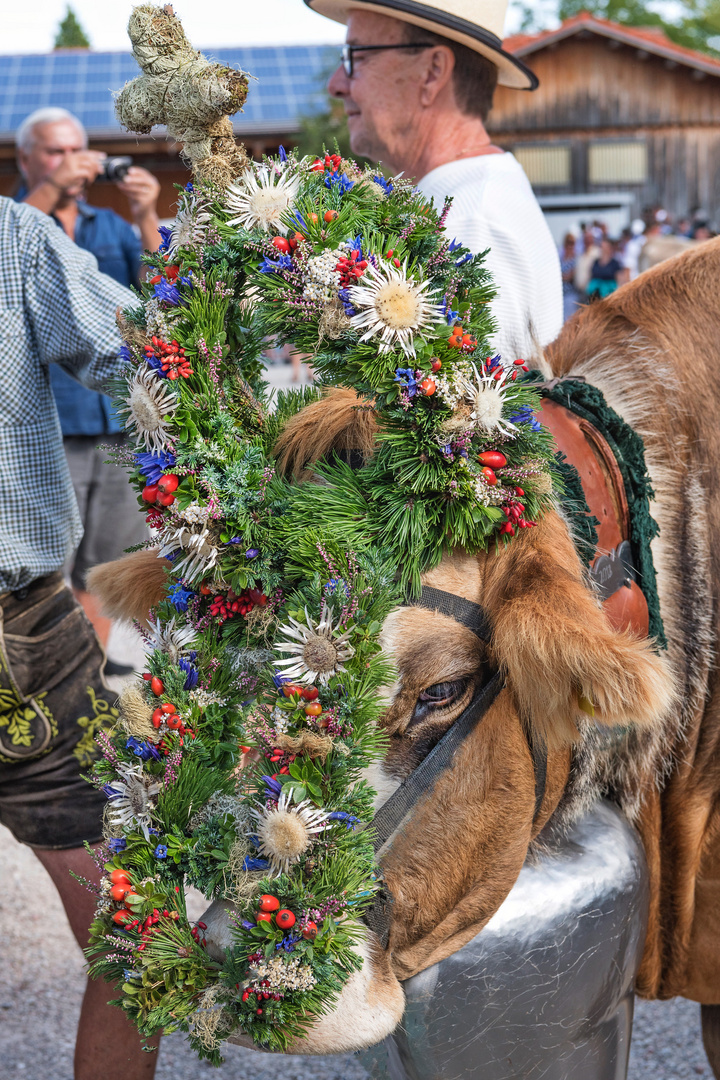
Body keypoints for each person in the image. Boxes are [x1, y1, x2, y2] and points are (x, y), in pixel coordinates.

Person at [0, 195, 159, 1080]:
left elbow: (153, 351)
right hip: (24, 621)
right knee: (131, 916)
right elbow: (161, 352)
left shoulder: (14, 238)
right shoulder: (10, 236)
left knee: (128, 910)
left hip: (32, 632)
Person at [315, 0, 563, 359]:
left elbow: (470, 410)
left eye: (356, 56)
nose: (336, 84)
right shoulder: (466, 198)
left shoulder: (467, 223)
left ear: (432, 72)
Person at [15, 107, 160, 670]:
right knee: (48, 555)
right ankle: (49, 664)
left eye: (79, 149)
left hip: (117, 420)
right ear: (25, 158)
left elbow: (158, 292)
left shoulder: (108, 225)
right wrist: (51, 189)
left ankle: (94, 661)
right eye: (55, 152)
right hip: (49, 422)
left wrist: (147, 214)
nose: (72, 161)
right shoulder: (17, 222)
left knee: (110, 552)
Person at [559, 232, 580, 321]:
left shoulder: (576, 258)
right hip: (560, 295)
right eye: (568, 243)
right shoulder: (561, 258)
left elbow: (570, 276)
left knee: (569, 320)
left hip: (571, 294)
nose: (570, 245)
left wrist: (560, 277)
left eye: (572, 243)